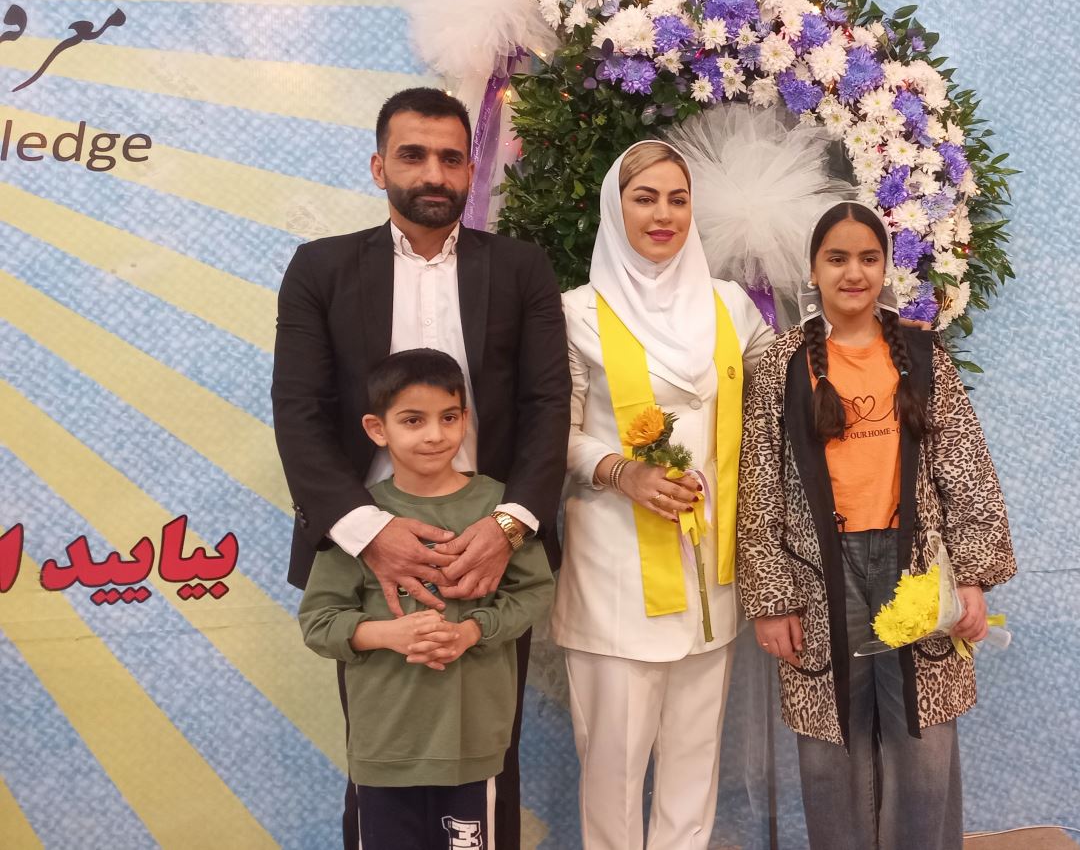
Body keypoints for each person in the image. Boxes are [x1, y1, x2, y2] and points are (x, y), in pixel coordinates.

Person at [271, 87, 570, 847]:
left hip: (487, 551)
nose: (433, 173)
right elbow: (299, 413)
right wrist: (371, 535)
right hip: (367, 554)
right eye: (413, 155)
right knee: (379, 756)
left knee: (489, 758)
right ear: (379, 167)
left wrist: (508, 528)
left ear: (471, 169)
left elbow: (547, 407)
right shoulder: (321, 268)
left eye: (450, 158)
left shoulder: (521, 268)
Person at [735, 201, 1017, 850]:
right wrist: (773, 599)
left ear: (886, 266)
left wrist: (971, 577)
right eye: (837, 258)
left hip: (915, 569)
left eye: (868, 258)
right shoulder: (782, 366)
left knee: (924, 741)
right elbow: (759, 485)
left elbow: (966, 469)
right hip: (819, 575)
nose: (853, 272)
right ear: (813, 269)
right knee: (830, 744)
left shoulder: (921, 353)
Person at [554, 139, 775, 849]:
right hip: (615, 579)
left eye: (678, 200)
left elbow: (789, 385)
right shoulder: (577, 314)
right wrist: (623, 472)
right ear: (613, 209)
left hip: (710, 575)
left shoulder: (730, 307)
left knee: (693, 766)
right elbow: (550, 438)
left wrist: (881, 334)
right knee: (613, 774)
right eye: (644, 198)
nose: (663, 214)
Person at [299, 348, 554, 850]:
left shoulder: (499, 509)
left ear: (466, 419)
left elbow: (534, 592)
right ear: (377, 429)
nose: (435, 435)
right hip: (385, 747)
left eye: (449, 417)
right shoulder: (360, 522)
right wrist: (389, 634)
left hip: (471, 745)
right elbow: (318, 622)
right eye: (413, 420)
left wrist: (472, 631)